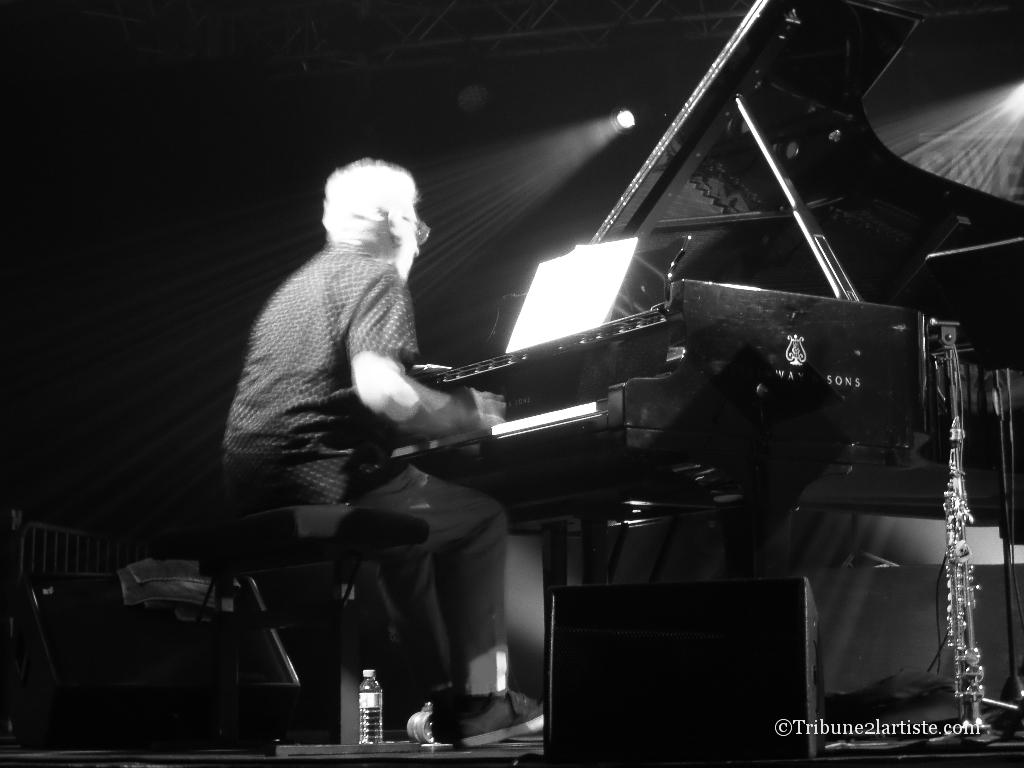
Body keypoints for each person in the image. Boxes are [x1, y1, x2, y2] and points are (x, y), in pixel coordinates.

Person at [222, 158, 542, 747]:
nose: (418, 237)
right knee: (481, 521)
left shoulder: (299, 286)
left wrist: (422, 420)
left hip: (255, 480)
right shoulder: (374, 277)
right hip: (322, 477)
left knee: (408, 540)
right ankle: (482, 702)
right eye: (416, 222)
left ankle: (448, 701)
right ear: (395, 222)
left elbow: (321, 398)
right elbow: (382, 389)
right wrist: (465, 414)